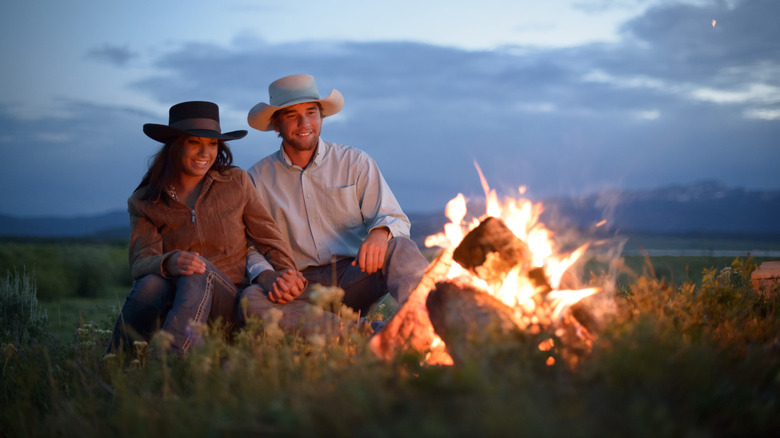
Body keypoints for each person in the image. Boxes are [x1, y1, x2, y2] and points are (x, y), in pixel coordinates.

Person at [107, 101, 305, 355]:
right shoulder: (145, 201)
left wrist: (287, 275)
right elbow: (141, 262)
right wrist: (170, 261)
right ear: (175, 145)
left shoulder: (235, 182)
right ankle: (115, 362)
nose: (205, 153)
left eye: (212, 144)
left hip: (228, 301)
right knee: (150, 285)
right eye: (194, 142)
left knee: (196, 268)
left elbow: (269, 238)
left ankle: (171, 358)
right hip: (176, 301)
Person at [239, 74, 430, 335]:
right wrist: (267, 276)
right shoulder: (256, 179)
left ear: (321, 117)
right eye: (292, 115)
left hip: (356, 275)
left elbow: (395, 218)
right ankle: (373, 335)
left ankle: (427, 326)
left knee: (400, 247)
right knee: (252, 299)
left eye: (311, 112)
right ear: (276, 124)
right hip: (300, 289)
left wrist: (380, 233)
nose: (304, 123)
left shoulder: (355, 162)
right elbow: (248, 245)